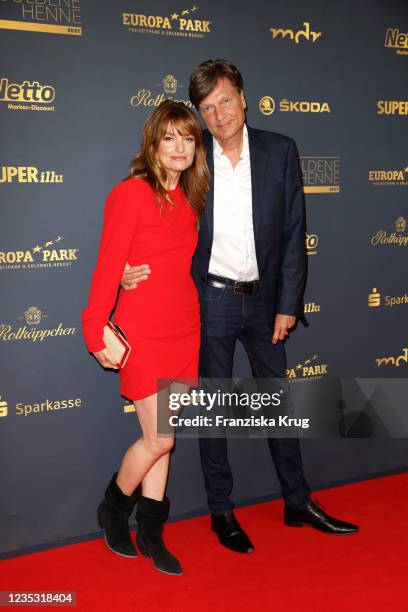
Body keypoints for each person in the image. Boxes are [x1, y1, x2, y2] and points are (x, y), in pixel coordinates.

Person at [121, 60, 358, 554]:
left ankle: (297, 501)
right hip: (208, 301)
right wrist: (127, 266)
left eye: (226, 101)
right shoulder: (190, 154)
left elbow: (295, 234)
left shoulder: (279, 150)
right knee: (210, 411)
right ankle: (221, 511)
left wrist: (288, 303)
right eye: (208, 107)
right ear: (201, 114)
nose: (220, 114)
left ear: (244, 98)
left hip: (266, 301)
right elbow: (148, 205)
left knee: (277, 404)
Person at [82, 100, 209, 575]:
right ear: (153, 144)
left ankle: (151, 531)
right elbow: (107, 266)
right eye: (169, 138)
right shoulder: (131, 194)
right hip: (144, 332)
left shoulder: (191, 197)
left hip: (184, 326)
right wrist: (95, 328)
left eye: (188, 138)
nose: (180, 148)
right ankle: (114, 507)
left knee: (165, 440)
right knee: (158, 439)